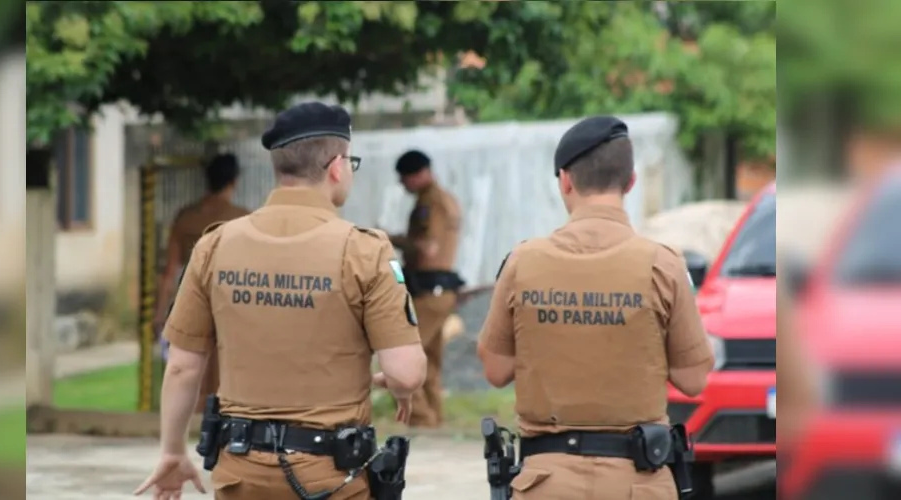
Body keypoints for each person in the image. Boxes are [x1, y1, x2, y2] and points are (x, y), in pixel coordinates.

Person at [135, 102, 427, 500]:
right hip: (329, 476)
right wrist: (397, 383)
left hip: (240, 473)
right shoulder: (366, 250)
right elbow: (406, 373)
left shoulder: (215, 244)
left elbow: (183, 366)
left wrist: (172, 451)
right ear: (337, 166)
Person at [476, 116, 714, 499]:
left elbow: (496, 367)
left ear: (565, 181)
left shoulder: (523, 262)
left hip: (545, 485)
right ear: (631, 181)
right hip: (637, 483)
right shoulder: (663, 265)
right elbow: (694, 378)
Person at [153, 153, 251, 412]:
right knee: (220, 379)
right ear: (234, 181)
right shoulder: (242, 219)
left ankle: (189, 430)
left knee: (189, 371)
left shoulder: (185, 218)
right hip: (229, 306)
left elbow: (170, 272)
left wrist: (160, 314)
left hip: (189, 301)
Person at [387, 150, 463, 429]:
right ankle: (435, 420)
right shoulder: (447, 200)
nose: (402, 185)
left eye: (404, 178)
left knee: (403, 355)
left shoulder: (430, 203)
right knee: (429, 359)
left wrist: (390, 238)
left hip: (428, 291)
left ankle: (421, 418)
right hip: (441, 292)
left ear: (418, 174)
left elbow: (428, 248)